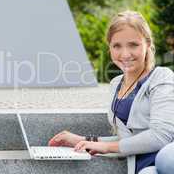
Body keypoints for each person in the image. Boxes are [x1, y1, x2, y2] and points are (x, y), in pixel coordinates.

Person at [48, 10, 174, 174]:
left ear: (148, 45)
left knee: (166, 159)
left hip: (168, 156)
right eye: (117, 46)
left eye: (133, 45)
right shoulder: (116, 84)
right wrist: (82, 141)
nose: (125, 54)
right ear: (110, 48)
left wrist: (105, 147)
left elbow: (161, 136)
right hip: (145, 166)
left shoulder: (161, 77)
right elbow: (128, 141)